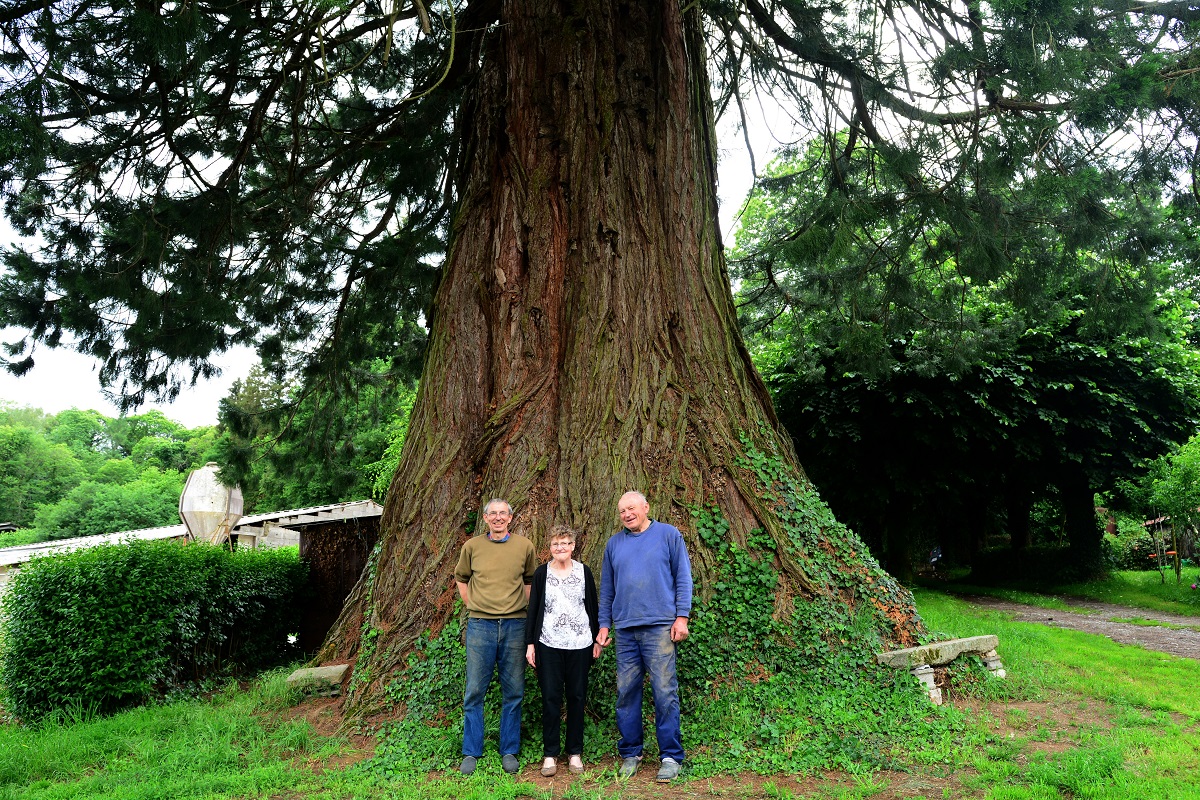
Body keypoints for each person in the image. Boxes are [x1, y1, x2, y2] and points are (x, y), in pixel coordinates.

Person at [596, 491, 693, 782]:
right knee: (626, 693)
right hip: (625, 630)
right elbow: (607, 589)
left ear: (646, 508)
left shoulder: (668, 535)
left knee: (664, 692)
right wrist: (604, 625)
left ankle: (670, 757)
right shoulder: (614, 544)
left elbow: (683, 577)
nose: (626, 514)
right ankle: (630, 753)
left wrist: (682, 617)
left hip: (660, 628)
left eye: (631, 508)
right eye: (622, 510)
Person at [454, 497, 538, 776]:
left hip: (515, 626)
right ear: (486, 518)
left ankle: (509, 750)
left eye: (503, 513)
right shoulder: (472, 547)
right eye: (493, 513)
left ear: (510, 518)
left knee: (513, 691)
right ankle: (471, 751)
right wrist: (472, 606)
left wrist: (522, 610)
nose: (498, 517)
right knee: (475, 691)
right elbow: (461, 578)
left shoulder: (525, 546)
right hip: (481, 627)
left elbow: (529, 581)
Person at [525, 525, 602, 776]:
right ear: (550, 547)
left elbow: (592, 606)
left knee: (577, 697)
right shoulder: (541, 574)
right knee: (550, 698)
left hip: (580, 644)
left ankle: (575, 753)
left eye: (565, 543)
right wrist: (530, 644)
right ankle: (550, 754)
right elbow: (534, 610)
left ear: (573, 547)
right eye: (556, 544)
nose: (561, 548)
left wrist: (597, 641)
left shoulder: (584, 572)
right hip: (548, 643)